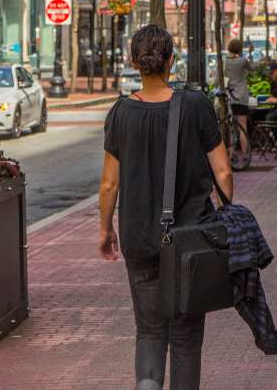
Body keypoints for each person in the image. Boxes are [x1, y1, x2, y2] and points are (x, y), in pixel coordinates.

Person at [98, 24, 233, 390]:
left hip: (139, 236)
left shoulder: (121, 113)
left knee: (149, 328)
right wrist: (227, 213)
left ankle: (147, 384)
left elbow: (110, 183)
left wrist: (105, 229)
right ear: (171, 60)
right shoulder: (196, 106)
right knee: (187, 336)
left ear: (133, 62)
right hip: (191, 238)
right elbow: (222, 170)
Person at [223, 38, 252, 156]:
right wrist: (250, 53)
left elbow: (216, 80)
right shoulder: (242, 61)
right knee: (242, 127)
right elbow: (252, 69)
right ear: (240, 49)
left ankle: (231, 154)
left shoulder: (224, 62)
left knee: (230, 127)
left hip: (229, 97)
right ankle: (245, 154)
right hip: (242, 96)